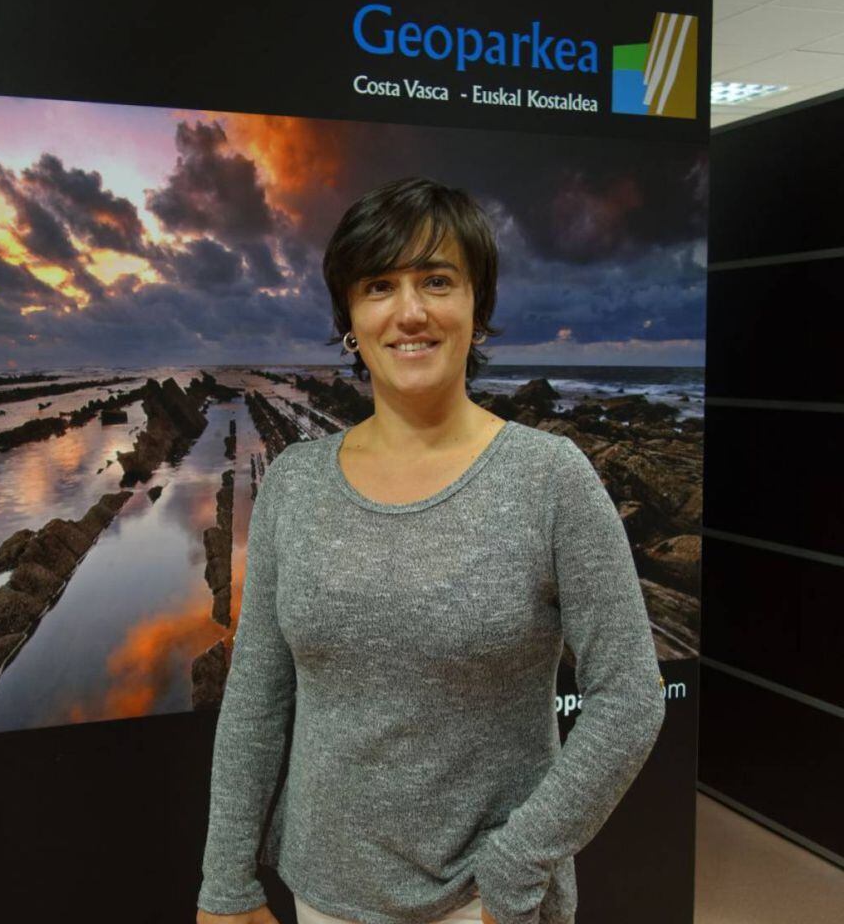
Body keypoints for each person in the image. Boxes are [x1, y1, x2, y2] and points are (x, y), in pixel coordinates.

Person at [196, 176, 666, 924]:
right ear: (350, 316)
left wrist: (517, 867)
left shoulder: (549, 480)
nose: (409, 312)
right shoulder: (294, 485)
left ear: (477, 310)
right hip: (319, 895)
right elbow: (257, 698)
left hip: (481, 905)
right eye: (379, 286)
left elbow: (630, 697)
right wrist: (226, 881)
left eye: (437, 281)